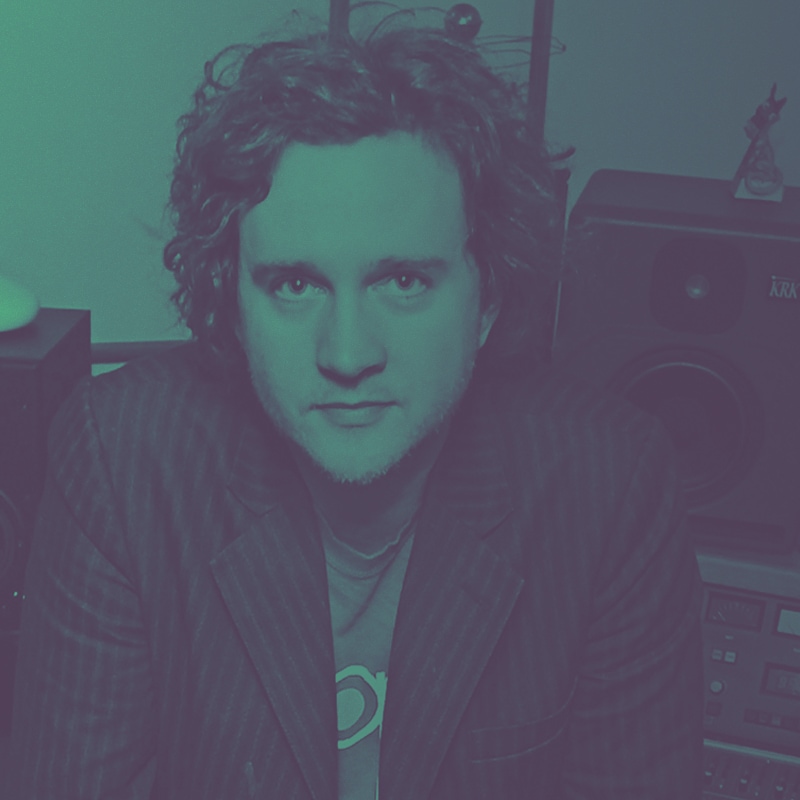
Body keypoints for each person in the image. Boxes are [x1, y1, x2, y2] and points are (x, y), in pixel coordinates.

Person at [11, 16, 703, 800]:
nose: (347, 354)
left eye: (403, 282)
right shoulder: (122, 460)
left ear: (487, 298)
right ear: (233, 304)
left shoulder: (608, 487)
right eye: (294, 285)